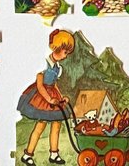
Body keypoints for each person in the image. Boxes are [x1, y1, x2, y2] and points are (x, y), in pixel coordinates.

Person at [17, 30, 75, 166]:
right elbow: (40, 86)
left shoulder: (57, 67)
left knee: (56, 125)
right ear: (57, 48)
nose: (66, 56)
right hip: (42, 96)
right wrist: (49, 100)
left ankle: (54, 154)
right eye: (65, 52)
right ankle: (27, 154)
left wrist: (61, 97)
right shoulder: (43, 64)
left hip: (53, 94)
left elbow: (54, 85)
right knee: (40, 125)